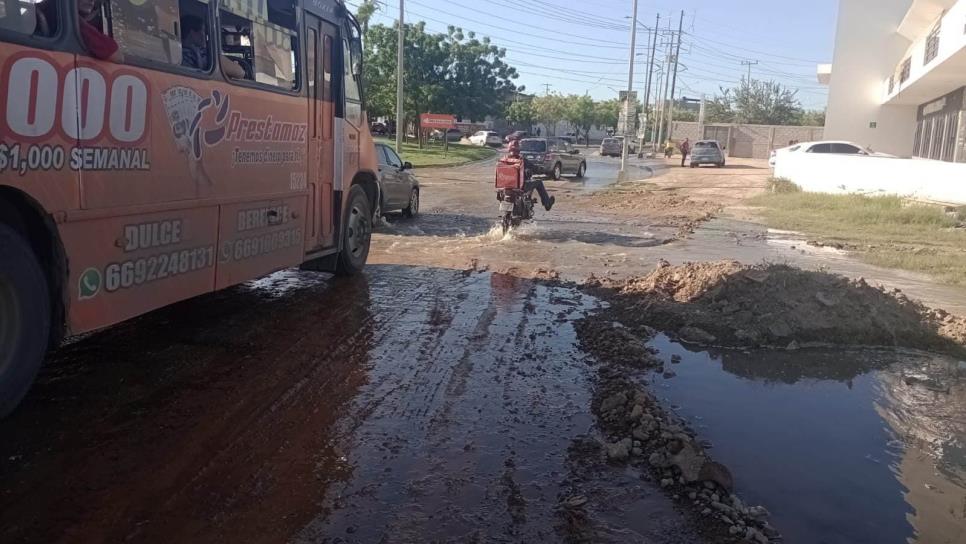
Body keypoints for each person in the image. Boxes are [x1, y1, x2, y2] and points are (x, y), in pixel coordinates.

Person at [180, 15, 247, 79]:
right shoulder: (201, 53)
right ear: (193, 33)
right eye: (203, 31)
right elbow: (240, 72)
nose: (205, 35)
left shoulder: (178, 51)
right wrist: (234, 65)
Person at [506, 140, 554, 211]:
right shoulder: (521, 160)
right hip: (521, 186)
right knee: (539, 182)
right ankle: (547, 203)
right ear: (518, 150)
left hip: (505, 187)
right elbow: (534, 168)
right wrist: (543, 170)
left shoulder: (504, 160)